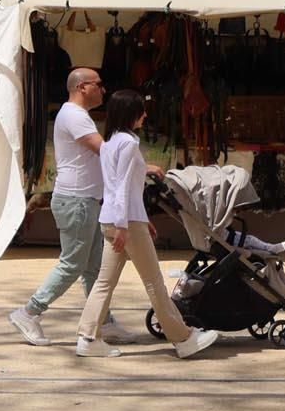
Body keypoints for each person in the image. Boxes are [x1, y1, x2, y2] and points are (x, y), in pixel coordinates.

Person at [74, 90, 220, 360]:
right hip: (125, 223)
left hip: (116, 220)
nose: (145, 115)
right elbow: (122, 188)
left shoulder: (109, 143)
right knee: (154, 283)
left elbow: (122, 187)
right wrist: (126, 225)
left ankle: (87, 337)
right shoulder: (128, 144)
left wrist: (139, 220)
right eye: (141, 110)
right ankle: (184, 338)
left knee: (103, 283)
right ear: (131, 113)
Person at [9, 68, 137, 347]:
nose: (103, 90)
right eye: (99, 85)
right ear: (82, 87)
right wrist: (140, 164)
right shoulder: (75, 116)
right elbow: (104, 151)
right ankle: (29, 312)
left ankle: (103, 320)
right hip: (77, 200)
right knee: (73, 264)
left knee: (92, 268)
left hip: (84, 199)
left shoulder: (77, 116)